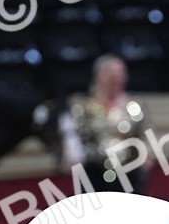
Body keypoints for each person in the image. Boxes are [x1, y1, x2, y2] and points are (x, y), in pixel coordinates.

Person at [59, 55, 148, 193]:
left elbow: (145, 136)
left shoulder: (136, 105)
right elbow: (72, 140)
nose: (116, 78)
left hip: (128, 173)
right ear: (98, 76)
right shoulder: (82, 106)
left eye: (120, 74)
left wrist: (145, 158)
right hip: (92, 173)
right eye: (111, 74)